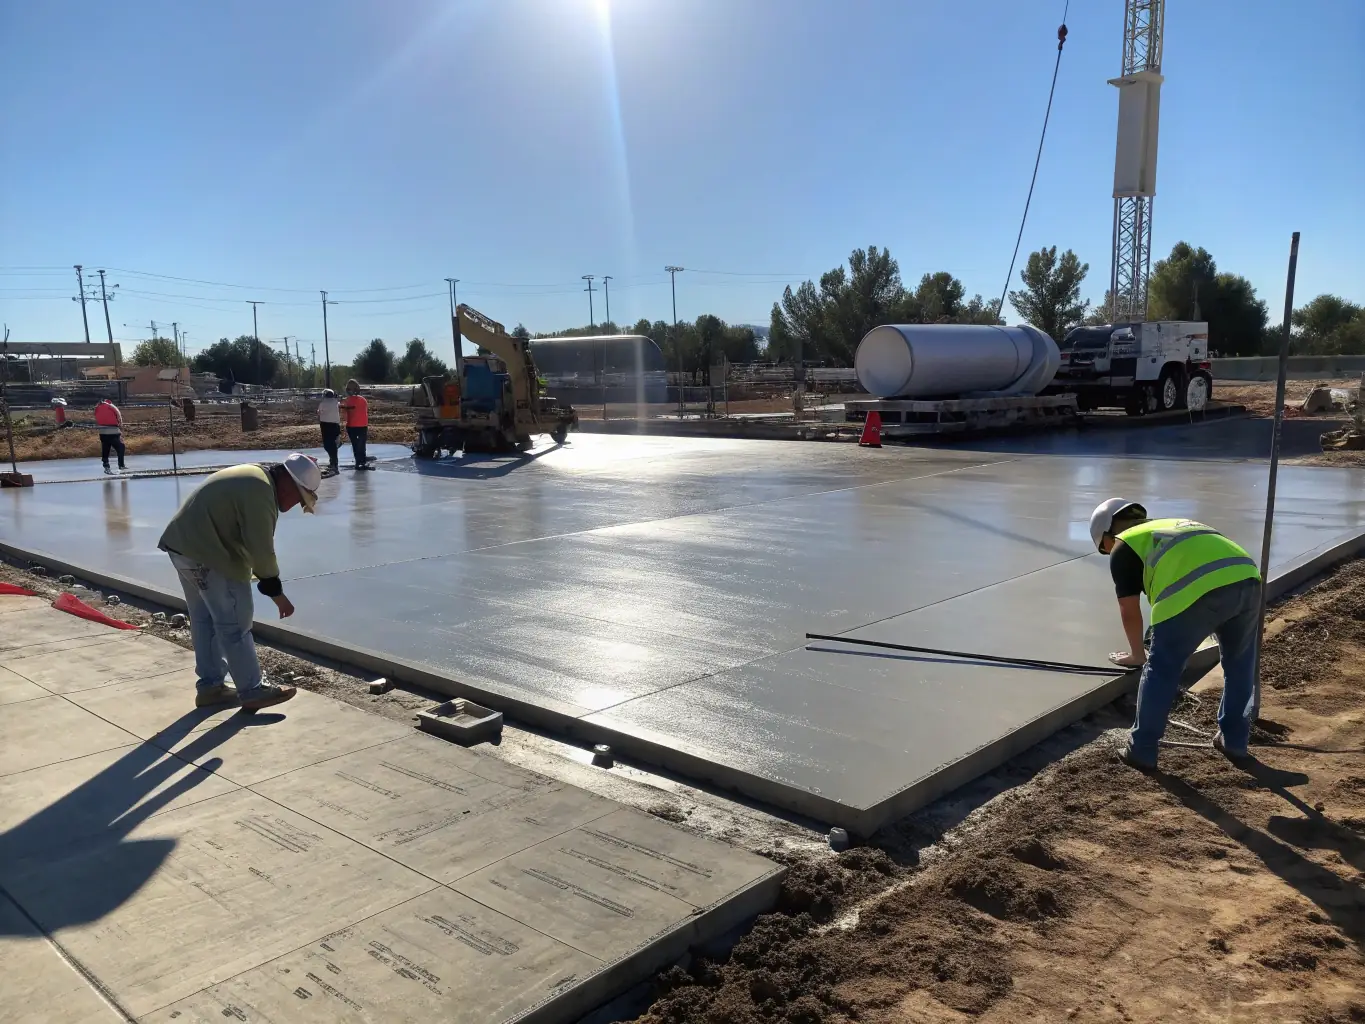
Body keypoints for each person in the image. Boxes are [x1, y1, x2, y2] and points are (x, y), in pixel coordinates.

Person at [1090, 497, 1262, 771]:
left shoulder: (1124, 545)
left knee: (1162, 668)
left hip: (1197, 592)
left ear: (1108, 535)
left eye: (1104, 548)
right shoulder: (1171, 526)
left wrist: (1138, 654)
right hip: (1247, 578)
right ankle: (1235, 741)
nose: (1108, 552)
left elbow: (1129, 609)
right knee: (1240, 664)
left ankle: (1142, 749)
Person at [158, 453, 321, 711]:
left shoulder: (254, 476)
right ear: (290, 483)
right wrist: (276, 592)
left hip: (183, 547)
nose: (292, 506)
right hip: (209, 554)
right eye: (298, 499)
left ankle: (211, 688)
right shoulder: (261, 492)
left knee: (205, 620)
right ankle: (252, 690)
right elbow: (261, 548)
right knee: (234, 622)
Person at [341, 379, 372, 470]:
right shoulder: (363, 400)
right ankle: (362, 461)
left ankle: (358, 462)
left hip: (351, 426)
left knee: (355, 444)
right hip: (362, 425)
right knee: (362, 444)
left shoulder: (346, 401)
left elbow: (344, 414)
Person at [93, 397, 126, 475]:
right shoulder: (111, 406)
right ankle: (121, 465)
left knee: (106, 449)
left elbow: (97, 418)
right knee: (121, 447)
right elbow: (118, 415)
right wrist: (120, 425)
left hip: (102, 432)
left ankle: (106, 465)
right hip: (113, 431)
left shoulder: (97, 408)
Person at [317, 388, 341, 473]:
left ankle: (333, 462)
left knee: (328, 444)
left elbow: (319, 413)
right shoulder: (336, 402)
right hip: (335, 425)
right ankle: (334, 462)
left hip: (326, 425)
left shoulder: (323, 403)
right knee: (333, 444)